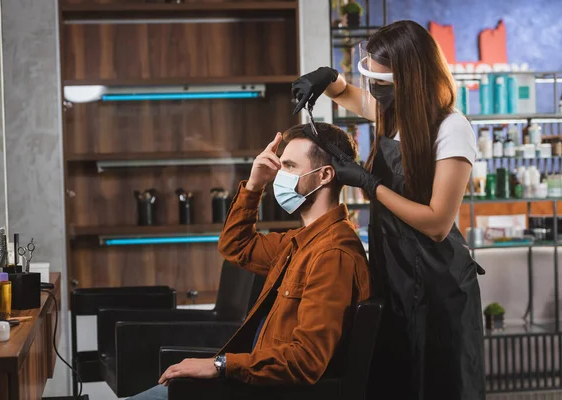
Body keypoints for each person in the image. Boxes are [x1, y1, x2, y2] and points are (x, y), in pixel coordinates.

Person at [291, 20, 486, 400]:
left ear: (409, 79)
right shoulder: (395, 118)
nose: (374, 90)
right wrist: (326, 78)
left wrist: (369, 184)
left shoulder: (451, 128)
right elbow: (348, 93)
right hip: (392, 275)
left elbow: (437, 224)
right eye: (372, 79)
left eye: (382, 81)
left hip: (438, 286)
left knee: (437, 386)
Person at [129, 123, 370, 400]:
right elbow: (236, 247)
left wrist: (219, 365)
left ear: (325, 175)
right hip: (249, 383)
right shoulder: (301, 242)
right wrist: (255, 186)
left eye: (289, 166)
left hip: (261, 391)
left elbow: (307, 359)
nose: (280, 175)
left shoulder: (332, 255)